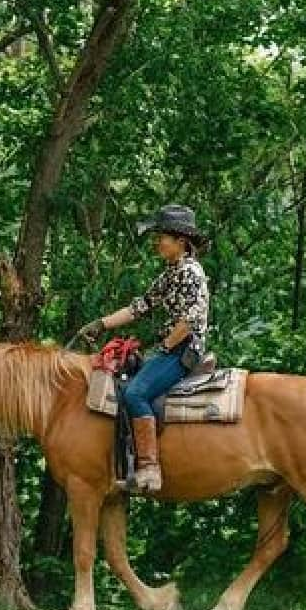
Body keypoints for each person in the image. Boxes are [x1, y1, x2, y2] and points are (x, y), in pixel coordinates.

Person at [77, 204, 210, 494]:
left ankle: (150, 468)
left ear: (181, 241)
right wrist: (101, 324)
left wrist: (164, 347)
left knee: (135, 392)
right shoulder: (170, 273)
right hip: (172, 347)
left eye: (163, 236)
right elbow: (140, 307)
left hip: (183, 350)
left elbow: (190, 320)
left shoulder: (190, 272)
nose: (157, 242)